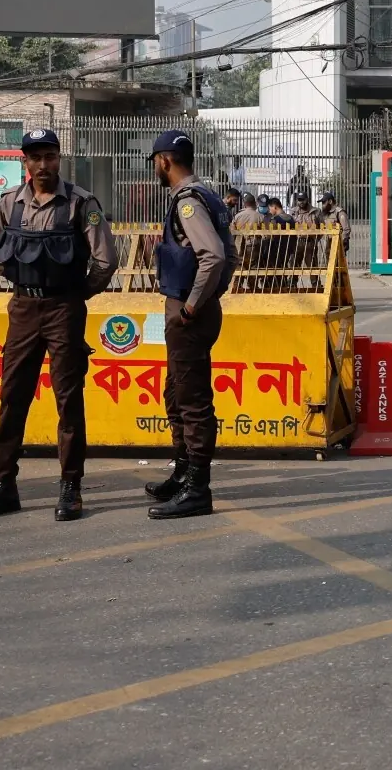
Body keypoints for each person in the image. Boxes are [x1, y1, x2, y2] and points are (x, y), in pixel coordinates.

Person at [0, 128, 119, 523]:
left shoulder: (81, 204)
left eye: (50, 156)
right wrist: (23, 280)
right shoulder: (9, 205)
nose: (43, 165)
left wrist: (76, 294)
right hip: (23, 309)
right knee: (12, 396)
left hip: (64, 309)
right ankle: (4, 486)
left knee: (68, 400)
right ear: (25, 162)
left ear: (59, 159)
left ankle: (71, 488)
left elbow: (105, 260)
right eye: (36, 158)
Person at [144, 130, 236, 519]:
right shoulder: (209, 195)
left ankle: (197, 488)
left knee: (193, 402)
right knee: (176, 394)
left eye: (155, 162)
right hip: (197, 309)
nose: (155, 169)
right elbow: (229, 255)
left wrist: (193, 306)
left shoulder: (187, 202)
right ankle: (183, 474)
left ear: (164, 160)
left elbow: (213, 256)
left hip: (190, 313)